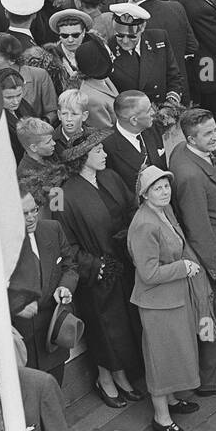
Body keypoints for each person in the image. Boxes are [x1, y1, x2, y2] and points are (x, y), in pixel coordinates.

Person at [127, 166, 216, 431]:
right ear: (144, 194)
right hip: (158, 305)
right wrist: (183, 267)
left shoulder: (163, 212)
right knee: (160, 361)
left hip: (173, 299)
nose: (164, 191)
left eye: (166, 186)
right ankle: (161, 419)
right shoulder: (144, 224)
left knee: (176, 353)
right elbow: (148, 273)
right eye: (157, 188)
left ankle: (174, 401)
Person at [55, 129, 142, 408]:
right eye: (98, 151)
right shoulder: (61, 193)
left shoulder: (111, 177)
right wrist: (96, 266)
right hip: (97, 273)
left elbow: (132, 208)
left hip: (125, 264)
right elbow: (63, 243)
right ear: (82, 157)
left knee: (125, 325)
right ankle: (105, 379)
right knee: (106, 328)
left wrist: (130, 237)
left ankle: (121, 376)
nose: (104, 154)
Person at [168, 109, 216, 396]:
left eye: (215, 130)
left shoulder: (184, 153)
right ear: (191, 137)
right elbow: (198, 228)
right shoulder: (190, 176)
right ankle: (214, 378)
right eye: (208, 134)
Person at [11, 186, 80, 385]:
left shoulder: (52, 229)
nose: (32, 217)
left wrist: (65, 287)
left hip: (53, 332)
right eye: (24, 214)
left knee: (55, 391)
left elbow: (70, 266)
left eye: (34, 210)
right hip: (22, 340)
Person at [104, 89, 168, 191]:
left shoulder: (152, 128)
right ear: (134, 120)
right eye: (148, 111)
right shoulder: (107, 146)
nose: (153, 112)